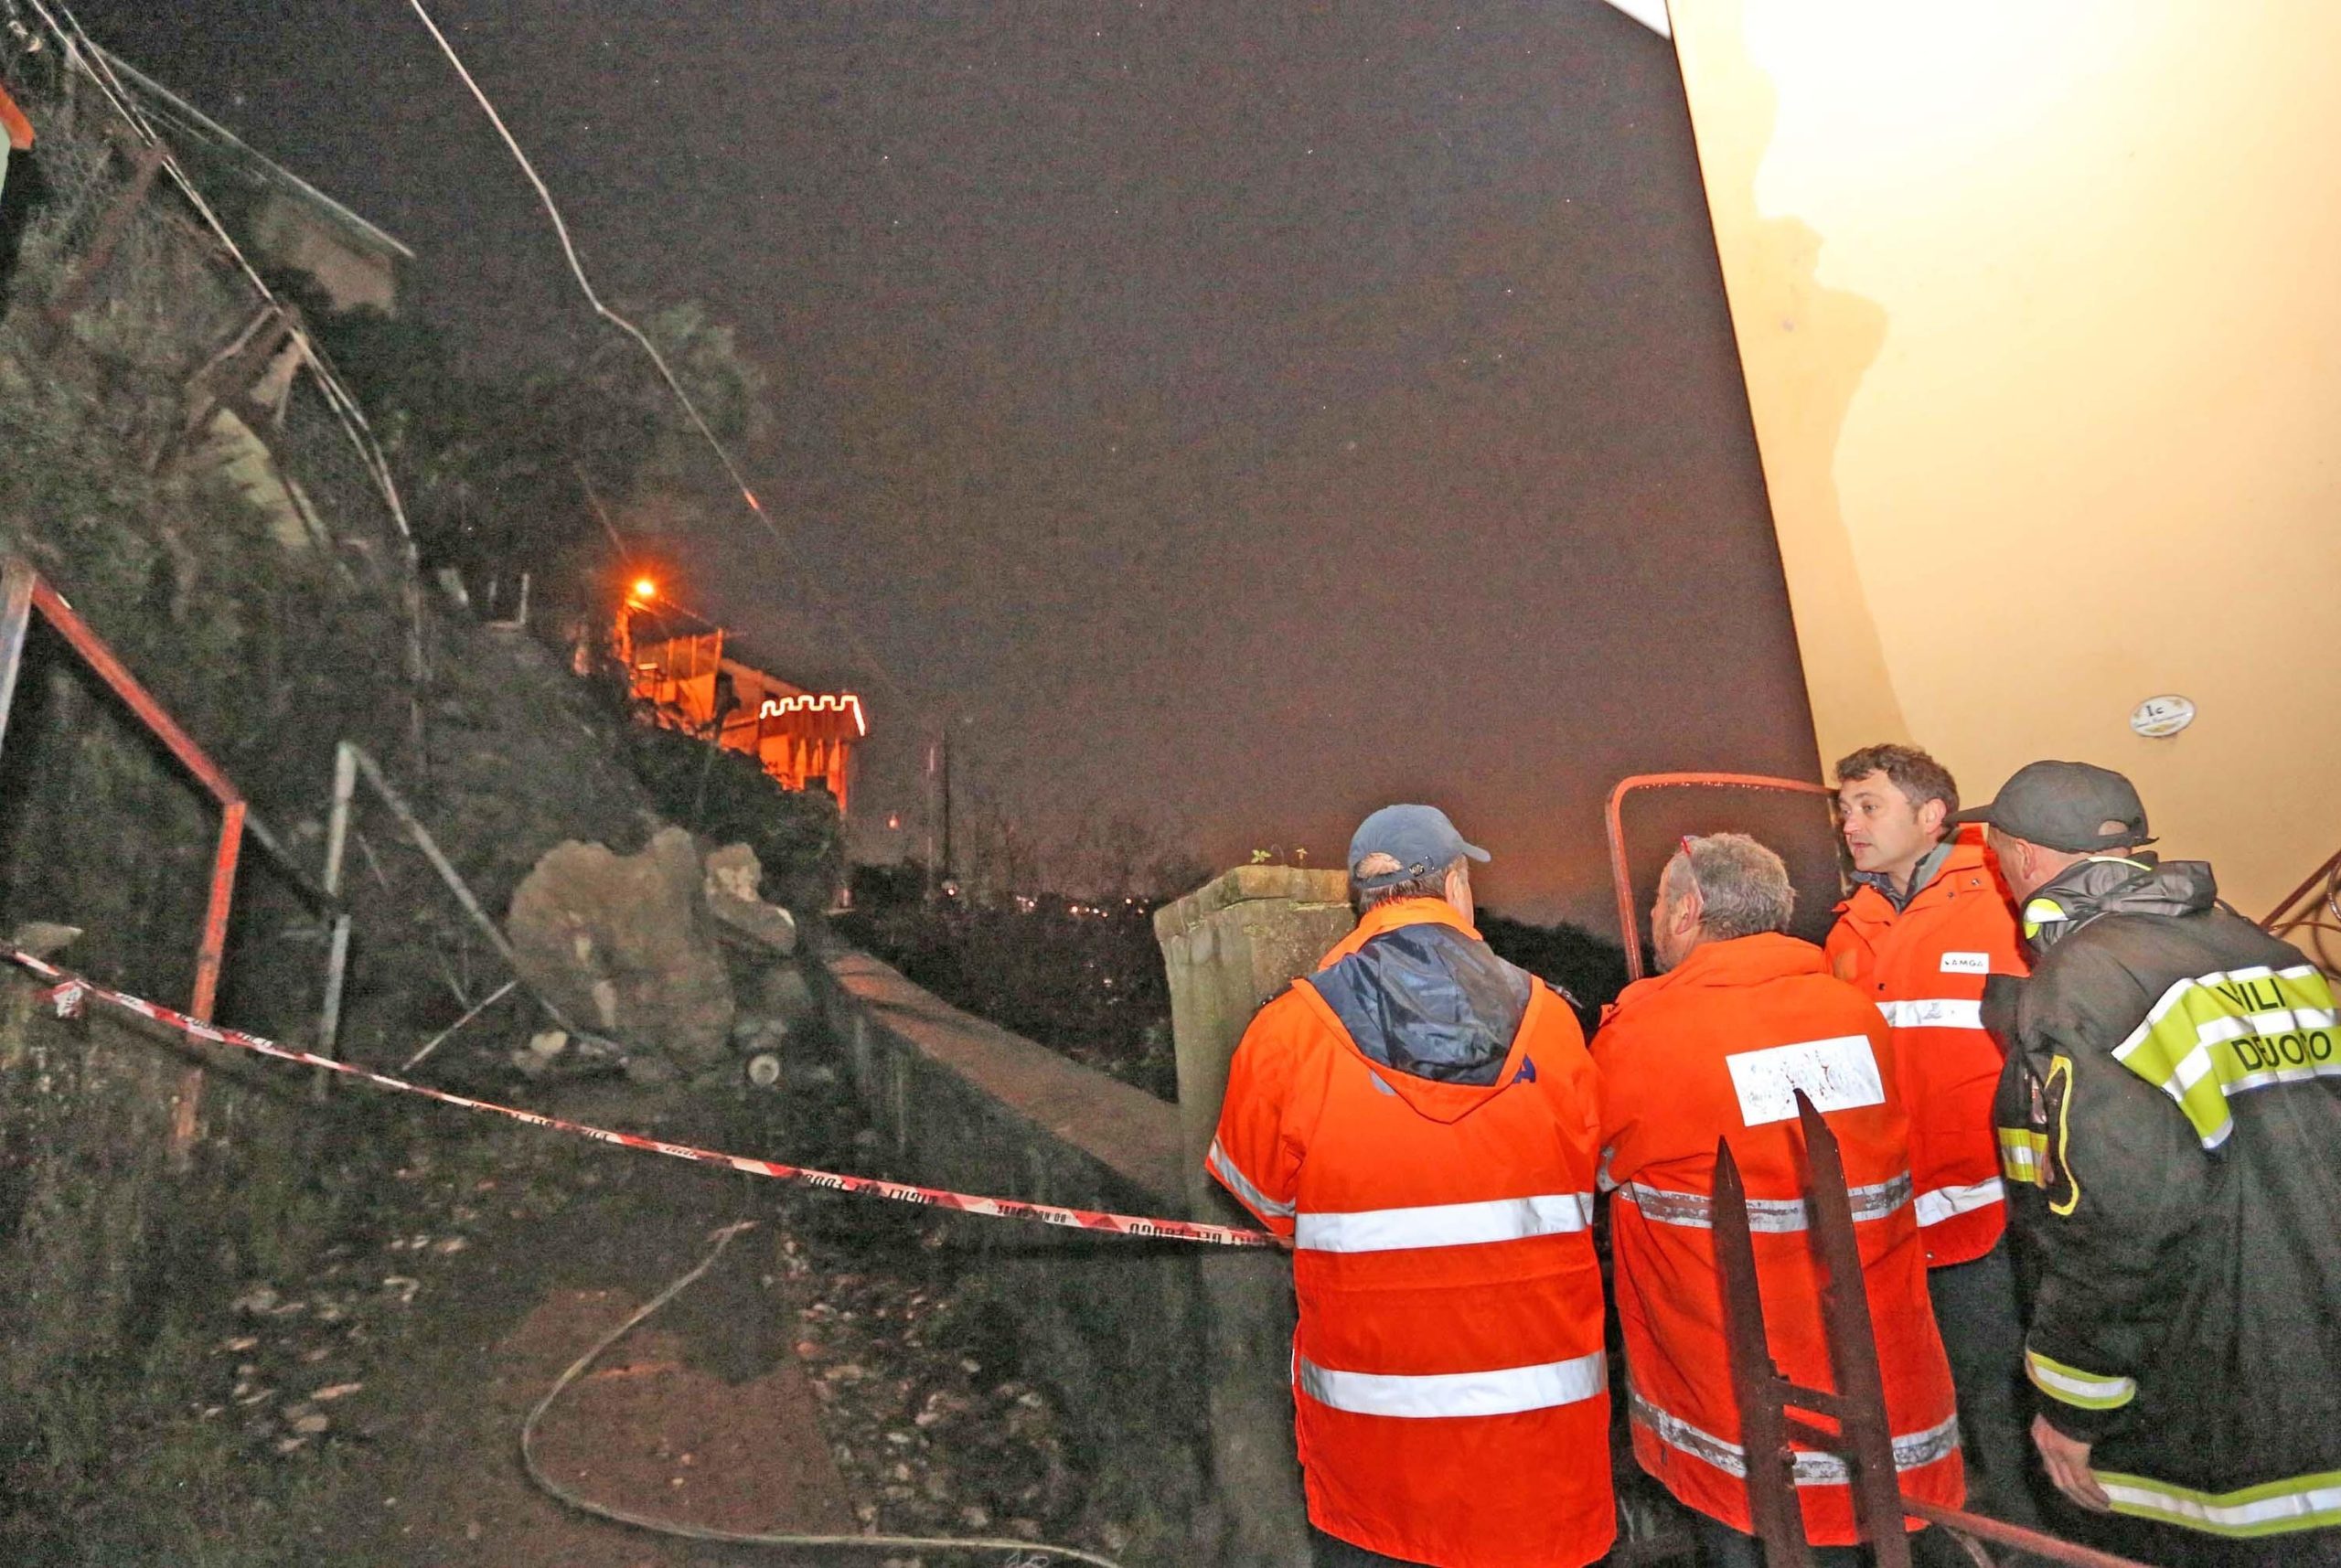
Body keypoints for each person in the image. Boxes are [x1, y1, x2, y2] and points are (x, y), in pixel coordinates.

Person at [1208, 805, 1612, 1568]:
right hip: (1541, 1464)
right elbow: (1589, 1177)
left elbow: (1265, 1200)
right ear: (1456, 883)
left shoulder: (1286, 1034)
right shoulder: (1557, 1024)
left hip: (1376, 1469)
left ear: (1362, 900)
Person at [1964, 761, 2341, 1565]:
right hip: (2315, 1345)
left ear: (2025, 858)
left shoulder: (2080, 982)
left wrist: (2072, 1403)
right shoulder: (2269, 954)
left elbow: (2119, 1221)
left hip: (2213, 1383)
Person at [1595, 833, 1962, 1568]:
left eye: (1661, 902)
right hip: (1881, 1391)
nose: (1656, 916)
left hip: (1740, 1412)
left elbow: (1597, 1163)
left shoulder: (1647, 1036)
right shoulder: (1853, 1013)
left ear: (1691, 909)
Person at [1823, 744, 2040, 1528]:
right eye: (1844, 808)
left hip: (2005, 1214)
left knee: (2012, 1391)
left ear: (1931, 814)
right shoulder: (1850, 928)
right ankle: (1977, 1524)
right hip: (1903, 1219)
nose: (1850, 823)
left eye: (1868, 805)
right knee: (1949, 1391)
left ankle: (2035, 1530)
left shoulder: (2003, 901)